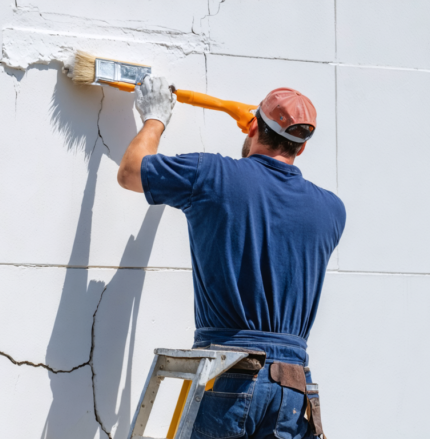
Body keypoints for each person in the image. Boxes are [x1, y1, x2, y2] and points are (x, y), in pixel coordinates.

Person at [117, 76, 345, 439]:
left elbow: (131, 171)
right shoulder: (332, 211)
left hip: (230, 371)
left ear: (254, 126)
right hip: (292, 384)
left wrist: (155, 117)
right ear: (301, 149)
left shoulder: (212, 176)